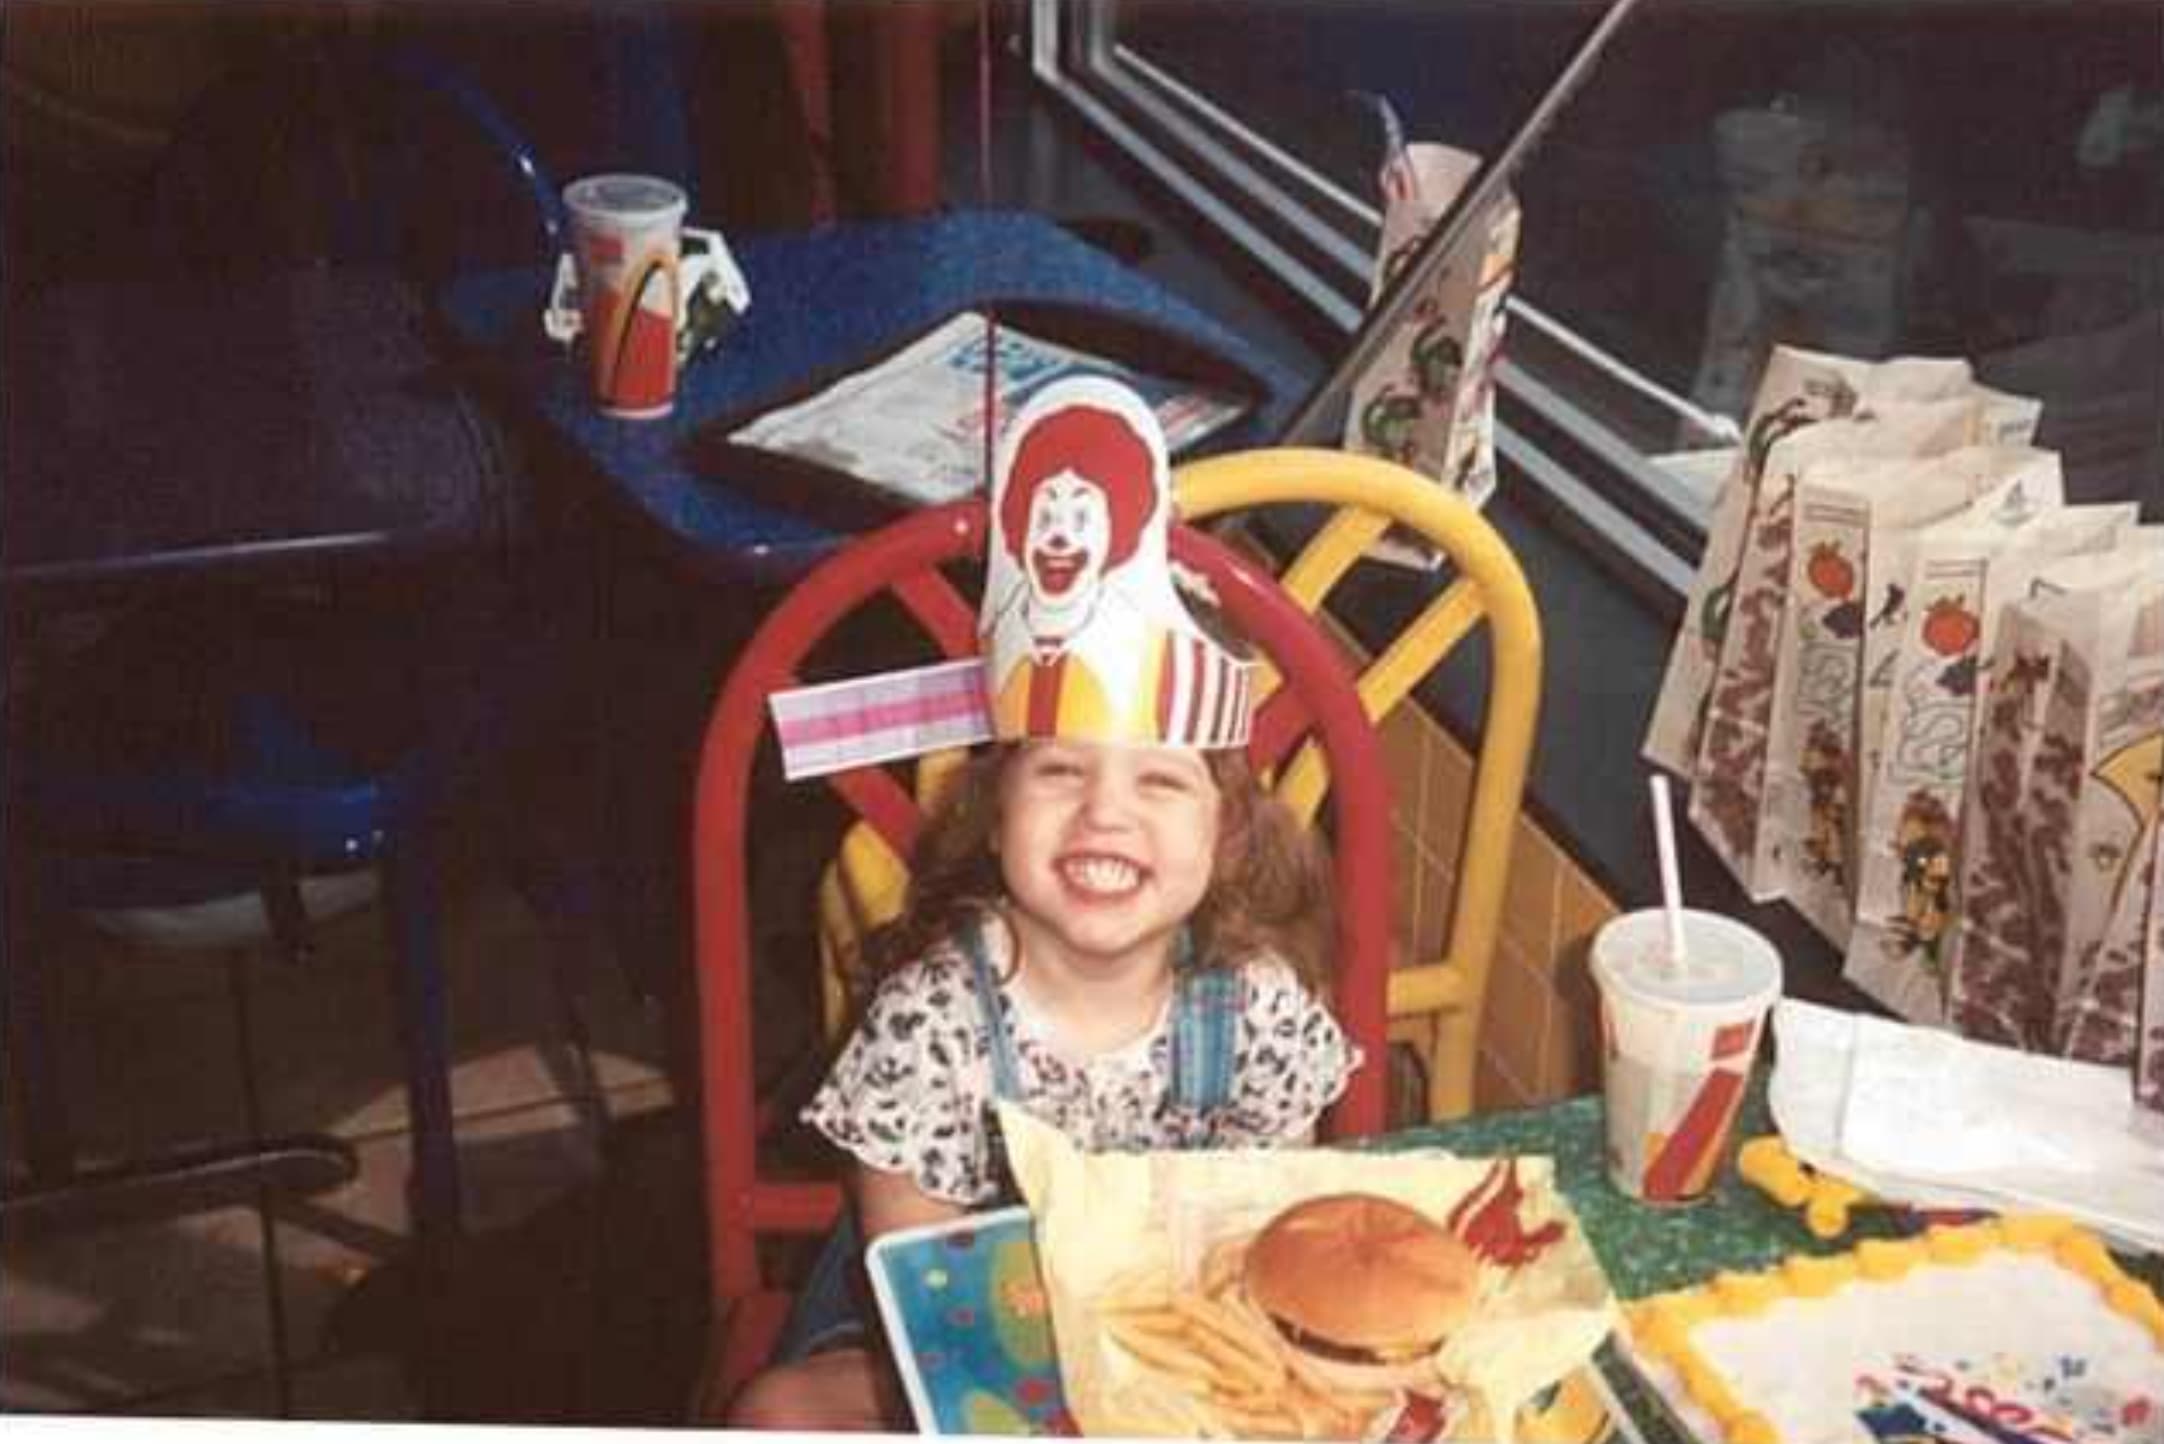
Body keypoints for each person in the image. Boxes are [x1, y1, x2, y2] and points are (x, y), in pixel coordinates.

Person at [725, 378, 1364, 1430]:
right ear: (995, 803)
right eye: (1060, 771)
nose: (1106, 813)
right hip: (948, 1359)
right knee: (780, 1411)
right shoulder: (932, 1022)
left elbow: (1267, 1245)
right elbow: (929, 1319)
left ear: (1227, 829)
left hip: (1180, 1353)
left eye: (1160, 780)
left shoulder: (1257, 1010)